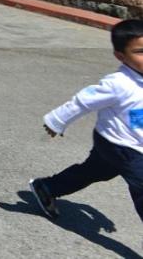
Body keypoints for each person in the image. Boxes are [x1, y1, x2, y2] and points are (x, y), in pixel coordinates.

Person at [29, 19, 143, 223]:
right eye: (140, 52)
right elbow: (84, 101)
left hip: (118, 141)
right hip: (123, 147)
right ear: (121, 56)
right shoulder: (118, 84)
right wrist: (56, 120)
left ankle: (47, 188)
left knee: (94, 171)